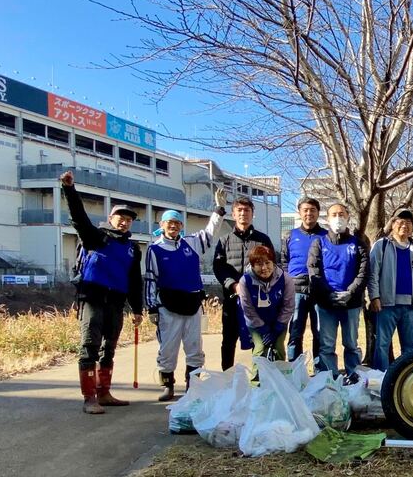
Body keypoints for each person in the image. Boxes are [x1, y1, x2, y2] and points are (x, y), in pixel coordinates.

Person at [60, 170, 144, 414]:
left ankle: (104, 392)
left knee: (110, 347)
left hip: (116, 302)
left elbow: (134, 280)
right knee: (90, 345)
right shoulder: (96, 237)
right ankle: (89, 398)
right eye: (120, 217)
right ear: (111, 217)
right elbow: (79, 218)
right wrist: (69, 190)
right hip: (93, 298)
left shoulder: (132, 248)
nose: (124, 221)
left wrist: (137, 309)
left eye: (129, 219)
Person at [145, 190, 225, 401]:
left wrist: (218, 210)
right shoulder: (154, 249)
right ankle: (168, 385)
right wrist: (151, 307)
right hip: (168, 305)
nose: (173, 226)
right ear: (162, 225)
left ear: (181, 226)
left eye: (177, 223)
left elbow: (210, 232)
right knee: (168, 348)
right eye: (169, 222)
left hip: (192, 303)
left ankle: (193, 386)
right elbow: (150, 279)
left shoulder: (191, 243)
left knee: (194, 348)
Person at [213, 196, 276, 370]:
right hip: (233, 299)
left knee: (260, 339)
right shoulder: (224, 240)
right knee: (228, 340)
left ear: (252, 214)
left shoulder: (263, 240)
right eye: (239, 211)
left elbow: (271, 266)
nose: (243, 214)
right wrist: (233, 285)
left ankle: (262, 377)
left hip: (259, 301)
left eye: (247, 211)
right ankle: (227, 378)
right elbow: (218, 267)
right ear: (233, 214)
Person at [307, 203, 369, 376]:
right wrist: (328, 293)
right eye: (334, 214)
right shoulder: (318, 243)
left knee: (351, 344)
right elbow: (314, 270)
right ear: (327, 219)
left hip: (352, 303)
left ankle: (354, 376)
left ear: (348, 217)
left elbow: (363, 272)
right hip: (326, 303)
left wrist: (350, 292)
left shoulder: (358, 243)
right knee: (326, 345)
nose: (338, 218)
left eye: (341, 214)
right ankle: (331, 379)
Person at [367, 209, 413, 371]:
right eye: (400, 222)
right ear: (393, 224)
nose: (404, 226)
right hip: (386, 304)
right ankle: (381, 378)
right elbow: (373, 272)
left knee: (409, 347)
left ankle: (406, 377)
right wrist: (374, 297)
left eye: (409, 223)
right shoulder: (382, 245)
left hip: (410, 306)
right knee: (382, 344)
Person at [238, 245, 295, 383]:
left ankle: (281, 380)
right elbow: (248, 309)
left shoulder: (285, 279)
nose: (264, 268)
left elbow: (289, 305)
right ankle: (255, 383)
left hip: (278, 321)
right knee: (260, 348)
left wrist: (278, 327)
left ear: (273, 263)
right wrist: (262, 329)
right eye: (259, 264)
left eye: (268, 263)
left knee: (279, 347)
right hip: (256, 323)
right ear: (252, 265)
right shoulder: (245, 281)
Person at [282, 197, 327, 370]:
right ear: (300, 213)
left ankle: (320, 372)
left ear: (317, 213)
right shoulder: (290, 236)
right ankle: (295, 371)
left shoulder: (325, 236)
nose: (309, 213)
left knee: (320, 334)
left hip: (319, 291)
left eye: (312, 210)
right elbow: (284, 262)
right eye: (305, 210)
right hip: (296, 291)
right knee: (294, 334)